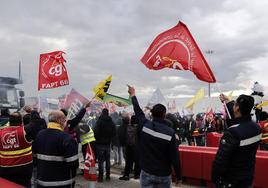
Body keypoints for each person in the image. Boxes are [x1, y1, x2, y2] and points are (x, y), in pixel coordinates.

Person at [128, 85, 181, 188]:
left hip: (147, 172)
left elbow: (138, 111)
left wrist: (133, 95)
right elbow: (175, 158)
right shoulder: (170, 133)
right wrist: (179, 177)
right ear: (164, 114)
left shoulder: (145, 125)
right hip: (163, 175)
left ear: (152, 114)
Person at [212, 94, 262, 187]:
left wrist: (215, 178)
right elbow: (240, 118)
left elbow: (221, 160)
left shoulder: (232, 132)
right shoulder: (257, 128)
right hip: (248, 178)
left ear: (237, 108)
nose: (233, 105)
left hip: (232, 181)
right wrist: (228, 102)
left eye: (235, 104)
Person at [33, 110, 79, 188]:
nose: (65, 122)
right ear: (59, 120)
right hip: (62, 183)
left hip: (42, 182)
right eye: (64, 120)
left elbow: (34, 158)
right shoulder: (66, 138)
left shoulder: (39, 135)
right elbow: (73, 163)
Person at [0, 112, 33, 187]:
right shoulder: (25, 131)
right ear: (21, 121)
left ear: (9, 121)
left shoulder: (1, 132)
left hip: (5, 168)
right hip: (24, 169)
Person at [94, 108, 116, 182]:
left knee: (100, 161)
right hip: (107, 144)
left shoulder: (99, 121)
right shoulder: (111, 122)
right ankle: (108, 176)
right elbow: (114, 133)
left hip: (100, 144)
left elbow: (95, 132)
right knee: (107, 160)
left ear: (102, 113)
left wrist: (97, 139)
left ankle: (100, 177)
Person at [119, 115, 140, 181]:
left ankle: (126, 175)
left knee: (128, 161)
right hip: (137, 147)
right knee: (137, 161)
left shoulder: (128, 127)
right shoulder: (139, 128)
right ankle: (137, 175)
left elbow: (124, 136)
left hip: (129, 146)